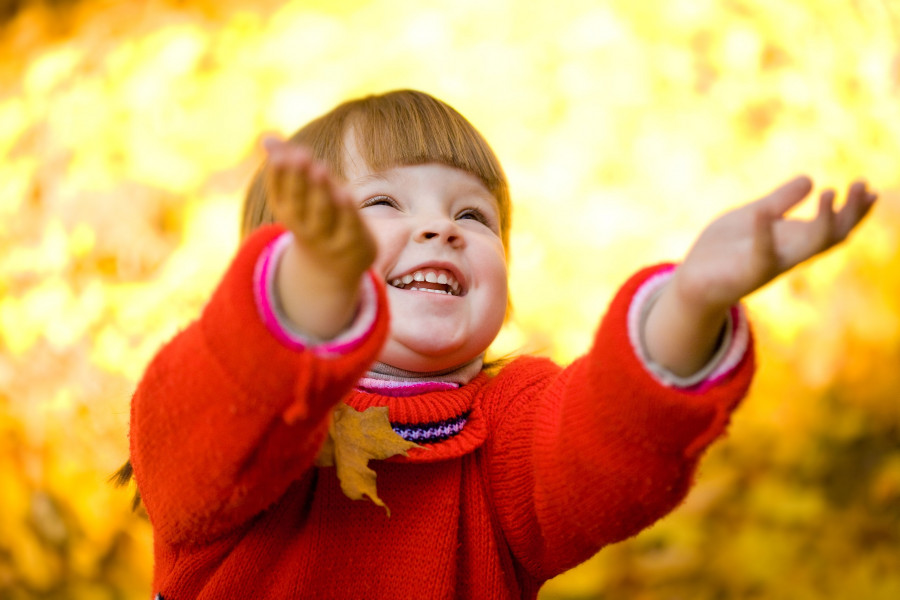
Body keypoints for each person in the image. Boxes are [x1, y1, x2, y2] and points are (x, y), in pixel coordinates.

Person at [126, 90, 876, 599]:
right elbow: (208, 412)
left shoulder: (505, 429)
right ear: (276, 258)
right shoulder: (233, 421)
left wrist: (692, 299)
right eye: (382, 202)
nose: (441, 228)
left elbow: (602, 437)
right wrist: (314, 290)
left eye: (475, 216)